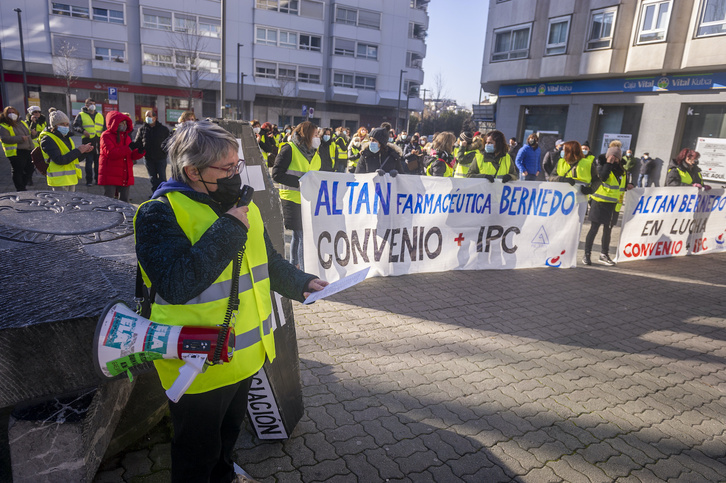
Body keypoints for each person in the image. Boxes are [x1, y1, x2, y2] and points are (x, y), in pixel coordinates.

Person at [134, 120, 327, 483]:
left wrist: (302, 283)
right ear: (192, 170)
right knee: (196, 453)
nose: (236, 175)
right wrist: (228, 228)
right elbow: (177, 283)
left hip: (243, 357)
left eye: (237, 166)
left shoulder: (241, 206)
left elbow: (268, 262)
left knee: (226, 441)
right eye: (226, 168)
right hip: (197, 366)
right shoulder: (158, 213)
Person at [272, 121, 324, 270]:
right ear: (307, 135)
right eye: (315, 134)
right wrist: (301, 182)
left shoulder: (315, 152)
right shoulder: (289, 149)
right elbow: (276, 174)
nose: (318, 137)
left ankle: (293, 266)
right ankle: (303, 272)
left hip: (308, 200)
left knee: (298, 235)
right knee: (303, 236)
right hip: (291, 199)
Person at [583, 142, 632, 267]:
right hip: (599, 202)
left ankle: (604, 254)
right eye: (612, 156)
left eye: (616, 157)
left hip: (613, 204)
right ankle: (586, 255)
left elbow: (621, 186)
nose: (614, 159)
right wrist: (609, 164)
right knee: (594, 229)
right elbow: (603, 177)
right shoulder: (601, 164)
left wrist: (628, 186)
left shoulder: (621, 170)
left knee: (608, 230)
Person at [39, 110, 93, 192]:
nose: (65, 126)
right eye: (61, 124)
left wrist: (84, 152)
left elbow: (73, 159)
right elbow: (59, 159)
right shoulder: (48, 139)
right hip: (59, 181)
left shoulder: (67, 138)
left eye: (67, 124)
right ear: (54, 125)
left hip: (70, 179)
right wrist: (78, 151)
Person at [99, 111, 145, 202]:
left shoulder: (126, 137)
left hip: (125, 174)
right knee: (109, 200)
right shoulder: (106, 136)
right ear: (114, 123)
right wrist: (129, 148)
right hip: (110, 174)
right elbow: (111, 153)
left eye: (125, 123)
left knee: (124, 201)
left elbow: (130, 156)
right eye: (121, 122)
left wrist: (140, 151)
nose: (124, 125)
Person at [135, 110, 171, 196]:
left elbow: (169, 141)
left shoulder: (163, 129)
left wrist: (165, 151)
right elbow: (137, 142)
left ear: (155, 118)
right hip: (148, 158)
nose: (147, 118)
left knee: (162, 177)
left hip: (161, 157)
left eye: (149, 116)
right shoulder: (142, 129)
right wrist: (139, 150)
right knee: (152, 178)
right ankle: (155, 194)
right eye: (146, 116)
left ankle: (163, 194)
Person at [0, 106, 36, 191]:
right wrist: (20, 138)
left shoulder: (22, 123)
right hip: (16, 151)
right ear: (5, 114)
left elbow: (28, 134)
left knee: (30, 169)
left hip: (28, 149)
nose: (12, 114)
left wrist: (33, 133)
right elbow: (4, 139)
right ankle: (20, 188)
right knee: (18, 170)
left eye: (14, 112)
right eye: (9, 113)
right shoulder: (4, 125)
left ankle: (23, 184)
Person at [73, 98, 105, 186]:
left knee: (98, 163)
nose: (92, 105)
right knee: (89, 162)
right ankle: (89, 181)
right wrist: (83, 131)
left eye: (94, 103)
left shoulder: (100, 115)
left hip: (98, 142)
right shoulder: (81, 115)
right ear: (86, 105)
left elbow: (104, 128)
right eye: (90, 103)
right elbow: (75, 126)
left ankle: (98, 180)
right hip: (87, 141)